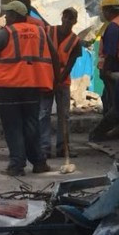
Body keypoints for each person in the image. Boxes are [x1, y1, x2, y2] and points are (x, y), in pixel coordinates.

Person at [0, 0, 58, 177]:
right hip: (32, 85)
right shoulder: (40, 32)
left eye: (8, 14)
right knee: (31, 125)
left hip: (8, 87)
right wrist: (55, 79)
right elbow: (53, 54)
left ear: (15, 15)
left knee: (13, 126)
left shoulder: (7, 33)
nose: (5, 17)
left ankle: (17, 165)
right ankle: (39, 162)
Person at [40, 8, 82, 160]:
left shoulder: (75, 41)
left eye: (70, 19)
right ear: (61, 17)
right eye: (65, 17)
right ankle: (44, 148)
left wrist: (59, 79)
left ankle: (62, 147)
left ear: (75, 22)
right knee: (43, 113)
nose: (67, 21)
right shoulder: (48, 31)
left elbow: (70, 63)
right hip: (46, 78)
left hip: (62, 82)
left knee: (63, 115)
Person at [90, 0, 119, 142]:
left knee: (115, 104)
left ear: (108, 10)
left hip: (114, 69)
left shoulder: (113, 27)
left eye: (103, 10)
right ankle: (116, 130)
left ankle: (105, 132)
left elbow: (110, 52)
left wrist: (105, 70)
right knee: (110, 99)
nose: (102, 14)